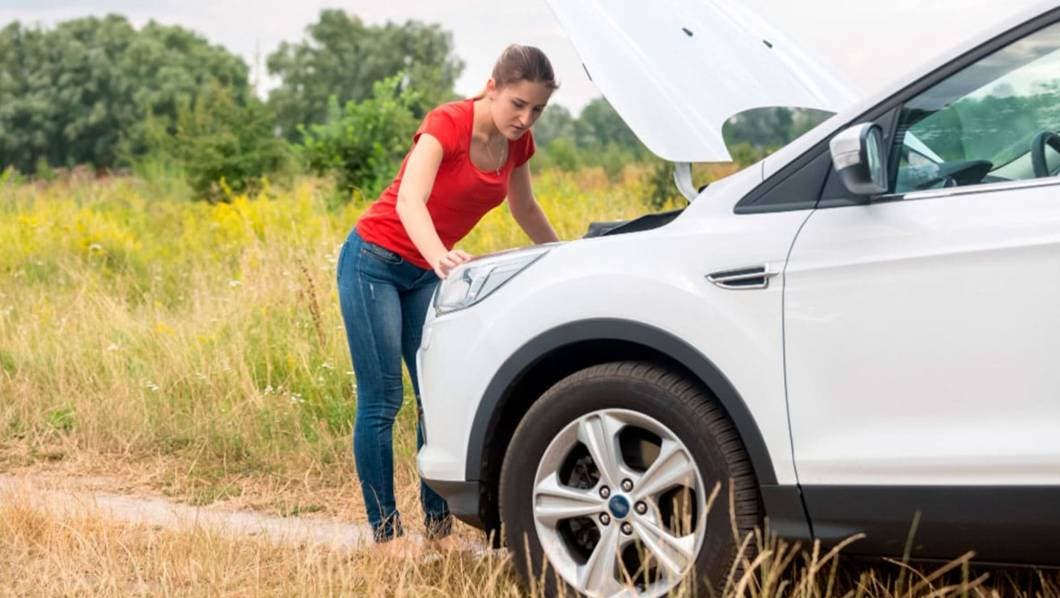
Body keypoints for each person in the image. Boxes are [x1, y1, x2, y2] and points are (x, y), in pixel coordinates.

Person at [335, 44, 561, 546]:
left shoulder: (517, 144)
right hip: (373, 263)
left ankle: (437, 530)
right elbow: (410, 199)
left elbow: (524, 207)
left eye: (537, 109)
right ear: (492, 88)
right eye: (518, 104)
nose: (525, 119)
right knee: (382, 399)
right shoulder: (447, 123)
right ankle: (387, 536)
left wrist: (566, 257)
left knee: (433, 400)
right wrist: (439, 255)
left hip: (424, 273)